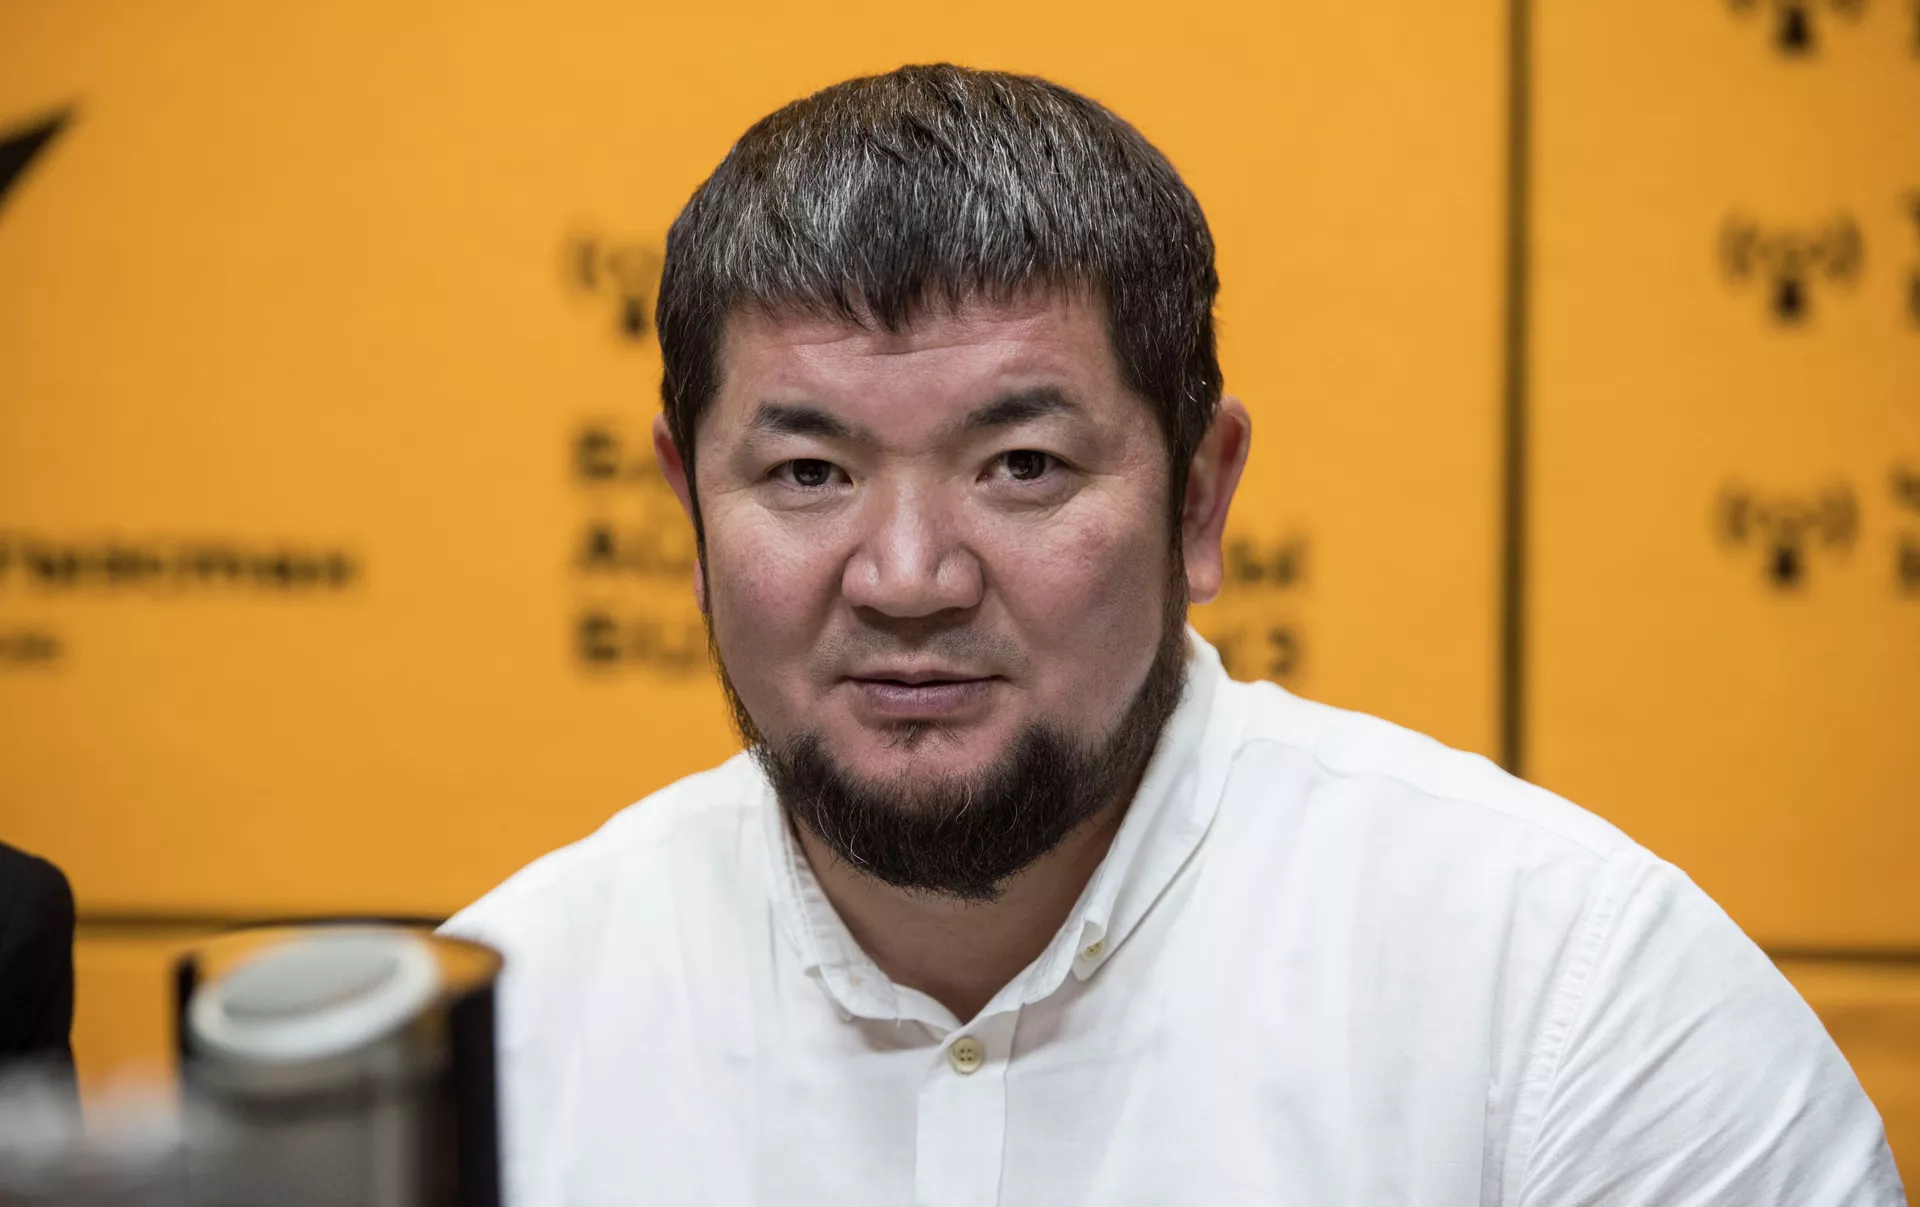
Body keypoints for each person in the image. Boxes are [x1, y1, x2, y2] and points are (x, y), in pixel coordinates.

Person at [445, 64, 1905, 1205]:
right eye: (809, 474)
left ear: (1201, 498)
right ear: (688, 514)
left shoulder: (1564, 994)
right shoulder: (495, 1037)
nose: (907, 576)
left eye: (1022, 465)